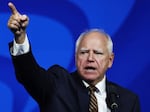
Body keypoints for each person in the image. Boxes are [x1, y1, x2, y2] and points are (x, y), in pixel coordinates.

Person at [7, 2, 140, 112]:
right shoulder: (57, 85)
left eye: (98, 53)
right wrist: (20, 37)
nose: (90, 58)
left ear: (110, 60)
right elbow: (29, 74)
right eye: (84, 52)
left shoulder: (128, 100)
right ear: (76, 58)